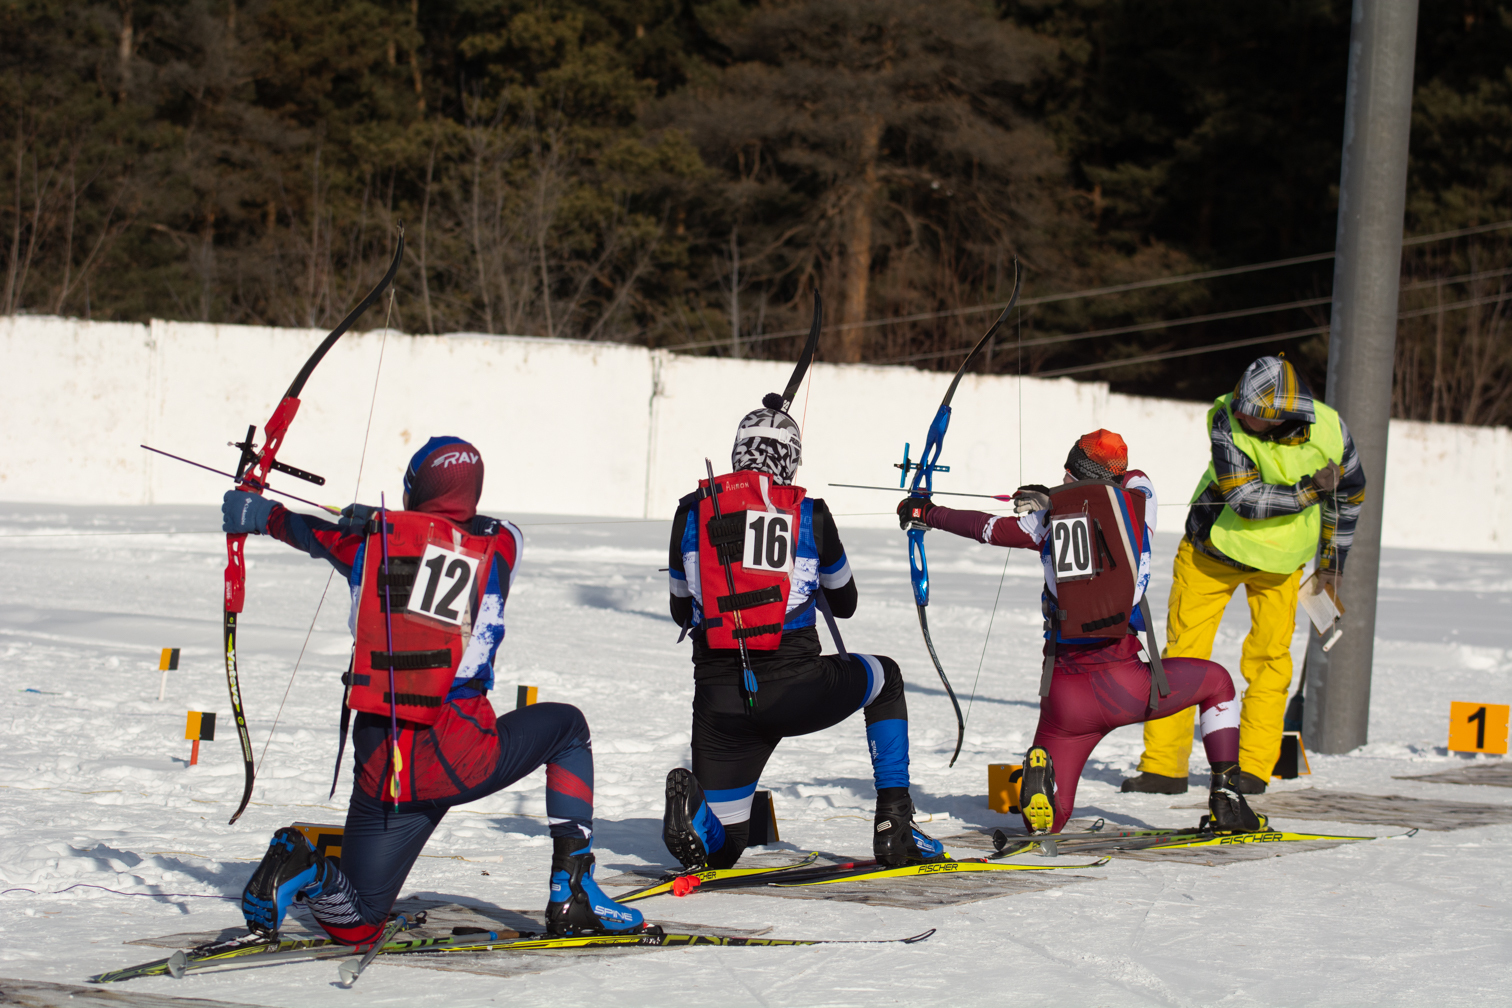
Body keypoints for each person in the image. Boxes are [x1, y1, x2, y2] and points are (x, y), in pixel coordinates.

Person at [221, 436, 643, 943]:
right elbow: (499, 527)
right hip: (461, 751)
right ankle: (572, 890)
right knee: (568, 727)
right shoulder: (498, 548)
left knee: (357, 923)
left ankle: (306, 870)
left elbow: (309, 532)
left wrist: (262, 512)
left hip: (385, 762)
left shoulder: (366, 548)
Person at [899, 429, 1260, 835]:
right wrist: (1061, 495)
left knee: (1053, 821)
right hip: (1127, 686)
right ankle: (1227, 797)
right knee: (1218, 682)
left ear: (1070, 473)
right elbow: (1132, 479)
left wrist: (926, 512)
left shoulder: (1044, 521)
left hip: (1065, 696)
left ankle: (1041, 785)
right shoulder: (1142, 506)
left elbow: (988, 528)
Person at [662, 393, 941, 870]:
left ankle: (698, 818)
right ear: (790, 460)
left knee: (725, 848)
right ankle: (895, 821)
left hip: (719, 703)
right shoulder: (809, 514)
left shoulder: (691, 512)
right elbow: (846, 604)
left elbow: (679, 609)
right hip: (795, 688)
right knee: (886, 677)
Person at [1123, 355, 1366, 796]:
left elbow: (1349, 497)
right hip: (1211, 552)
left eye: (1251, 412)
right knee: (1182, 657)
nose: (1239, 413)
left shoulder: (1332, 430)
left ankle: (1253, 768)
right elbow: (1245, 500)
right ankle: (1163, 768)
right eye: (1239, 403)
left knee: (1270, 661)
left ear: (1280, 416)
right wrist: (1310, 489)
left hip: (1281, 564)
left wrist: (1331, 563)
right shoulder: (1224, 417)